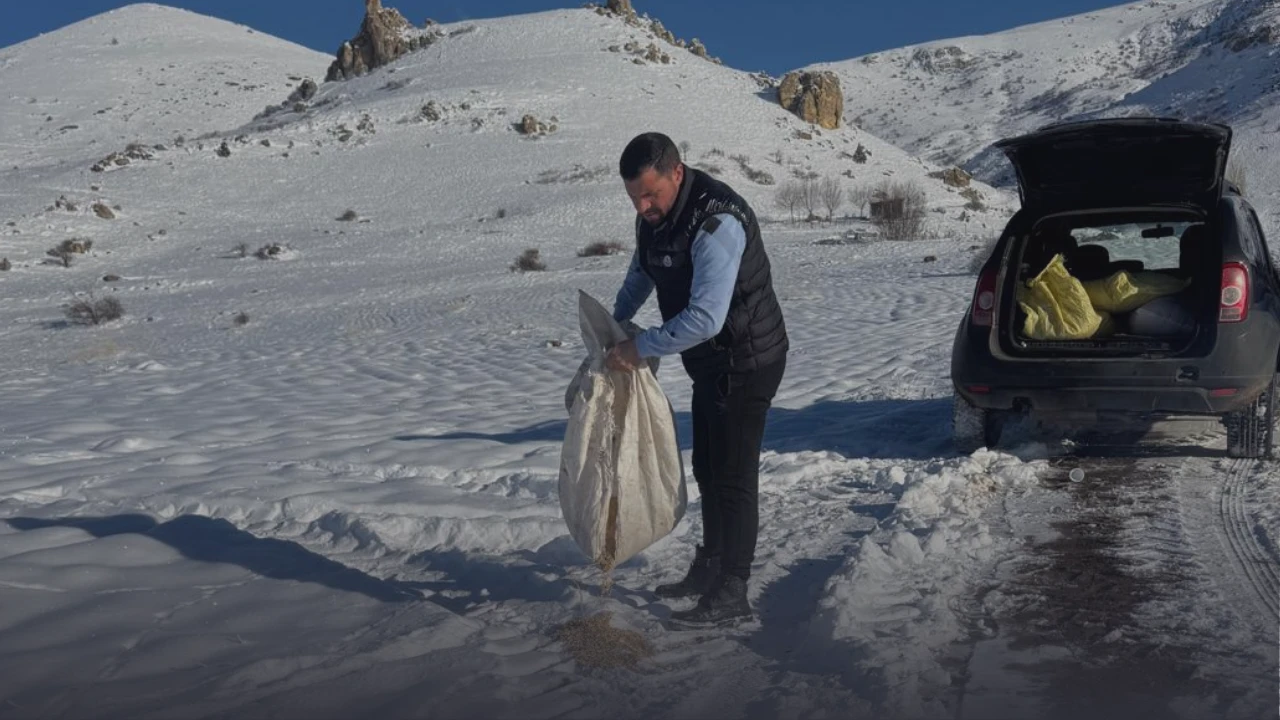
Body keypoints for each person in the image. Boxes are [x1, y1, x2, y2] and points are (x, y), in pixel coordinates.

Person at [606, 132, 788, 627]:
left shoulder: (716, 220)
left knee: (733, 475)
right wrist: (615, 324)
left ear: (677, 173)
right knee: (708, 466)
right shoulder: (655, 218)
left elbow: (707, 317)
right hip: (710, 362)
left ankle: (733, 588)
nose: (644, 206)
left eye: (651, 194)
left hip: (749, 359)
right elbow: (642, 272)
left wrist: (638, 347)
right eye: (635, 198)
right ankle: (709, 566)